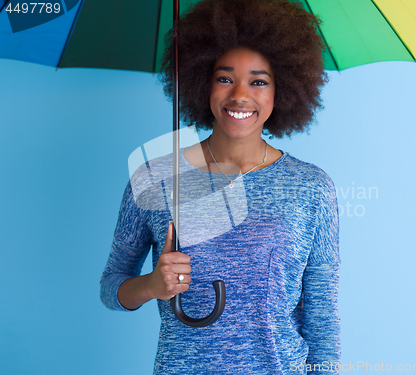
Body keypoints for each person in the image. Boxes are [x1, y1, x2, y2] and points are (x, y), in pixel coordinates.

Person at [100, 0, 340, 373]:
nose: (240, 95)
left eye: (258, 81)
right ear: (201, 81)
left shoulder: (311, 187)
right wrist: (151, 285)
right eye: (225, 78)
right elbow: (111, 287)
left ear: (284, 89)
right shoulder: (155, 178)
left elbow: (323, 322)